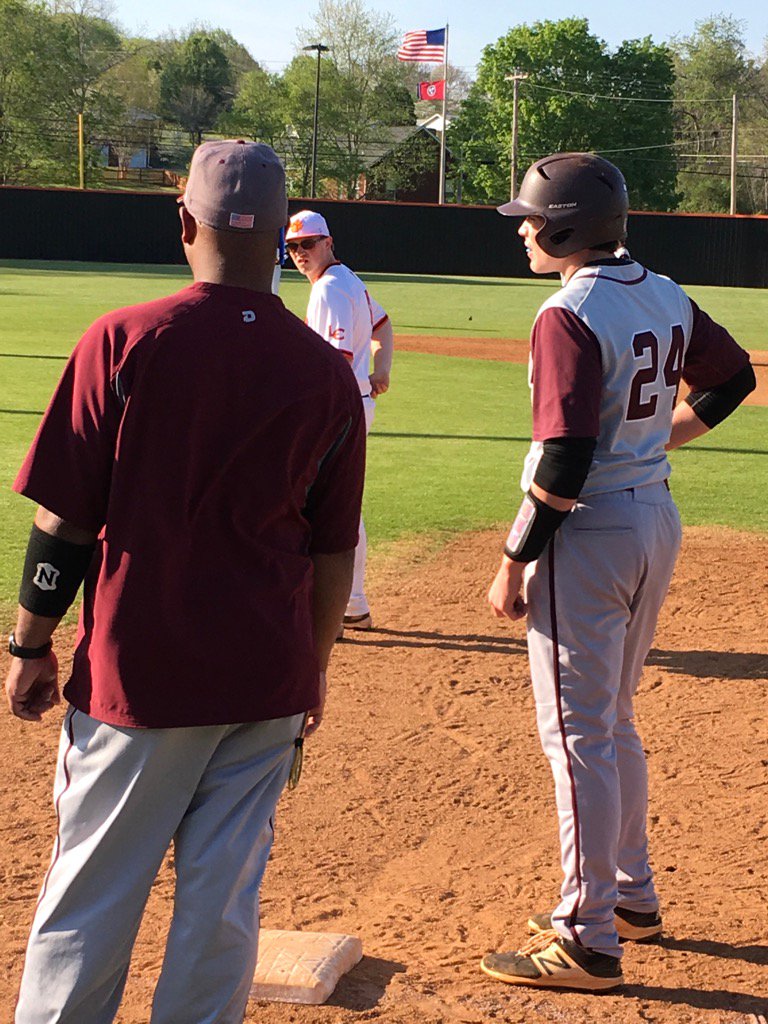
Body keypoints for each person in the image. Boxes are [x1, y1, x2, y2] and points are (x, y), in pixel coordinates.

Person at [4, 139, 366, 1024]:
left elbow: (63, 522)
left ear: (183, 224)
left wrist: (29, 643)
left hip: (141, 680)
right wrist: (310, 671)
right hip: (265, 682)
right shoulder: (325, 375)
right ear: (284, 237)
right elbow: (330, 555)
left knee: (91, 897)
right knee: (222, 911)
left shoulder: (125, 340)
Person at [481, 152, 755, 992]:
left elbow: (562, 459)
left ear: (566, 227)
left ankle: (586, 937)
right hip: (653, 517)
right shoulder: (663, 290)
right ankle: (630, 896)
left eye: (531, 218)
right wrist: (659, 438)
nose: (523, 229)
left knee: (577, 735)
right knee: (612, 720)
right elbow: (734, 377)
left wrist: (512, 560)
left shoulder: (567, 312)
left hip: (590, 530)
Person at [285, 210, 394, 636]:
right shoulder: (348, 278)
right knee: (340, 504)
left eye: (307, 244)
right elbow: (383, 323)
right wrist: (382, 371)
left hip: (336, 410)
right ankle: (352, 605)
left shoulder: (329, 289)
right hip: (355, 403)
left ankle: (342, 605)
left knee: (327, 507)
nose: (299, 254)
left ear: (328, 242)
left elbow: (333, 362)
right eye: (293, 247)